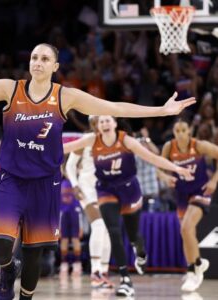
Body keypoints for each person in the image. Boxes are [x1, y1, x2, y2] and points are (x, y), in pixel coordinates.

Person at [0, 44, 195, 300]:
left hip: (45, 184)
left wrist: (160, 110)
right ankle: (8, 270)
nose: (37, 62)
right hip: (10, 178)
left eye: (44, 58)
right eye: (34, 57)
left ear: (55, 66)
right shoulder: (11, 89)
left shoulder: (65, 96)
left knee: (34, 255)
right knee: (1, 245)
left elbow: (112, 106)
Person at [64, 115, 193, 297]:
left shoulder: (126, 140)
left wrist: (178, 169)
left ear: (115, 123)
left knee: (132, 235)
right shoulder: (89, 140)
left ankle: (138, 253)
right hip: (101, 190)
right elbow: (65, 151)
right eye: (99, 121)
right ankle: (114, 276)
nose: (102, 124)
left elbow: (152, 158)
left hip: (127, 190)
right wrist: (36, 150)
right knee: (108, 228)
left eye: (106, 120)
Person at [158, 118, 218, 293]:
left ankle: (194, 270)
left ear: (190, 131)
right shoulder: (169, 147)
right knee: (186, 232)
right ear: (174, 133)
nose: (181, 134)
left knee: (186, 227)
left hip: (201, 191)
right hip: (182, 194)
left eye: (184, 130)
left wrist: (214, 180)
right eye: (177, 131)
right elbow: (158, 167)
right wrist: (164, 177)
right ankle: (196, 264)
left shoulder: (199, 145)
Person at [65, 115, 113, 288]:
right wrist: (75, 185)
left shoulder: (112, 141)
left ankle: (104, 272)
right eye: (94, 122)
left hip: (105, 189)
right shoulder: (86, 140)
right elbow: (69, 166)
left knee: (108, 229)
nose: (97, 125)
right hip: (86, 188)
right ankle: (95, 272)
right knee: (99, 225)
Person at [58, 177, 83, 277]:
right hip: (63, 213)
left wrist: (81, 227)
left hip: (75, 212)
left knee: (75, 239)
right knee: (64, 240)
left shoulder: (76, 180)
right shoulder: (61, 181)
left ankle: (77, 264)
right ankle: (64, 264)